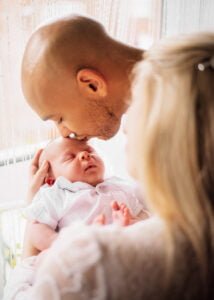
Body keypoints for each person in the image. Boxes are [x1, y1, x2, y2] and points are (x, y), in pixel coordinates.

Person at [4, 32, 214, 300]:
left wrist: (31, 237)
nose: (67, 132)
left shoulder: (88, 263)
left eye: (58, 117)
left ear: (91, 84)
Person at [23, 137, 149, 257]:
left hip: (122, 251)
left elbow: (145, 215)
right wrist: (60, 244)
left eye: (90, 150)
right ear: (51, 180)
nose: (85, 155)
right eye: (70, 157)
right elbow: (35, 229)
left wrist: (135, 223)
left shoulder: (120, 186)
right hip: (82, 256)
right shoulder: (56, 195)